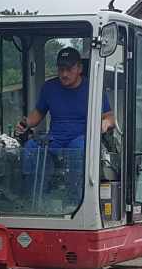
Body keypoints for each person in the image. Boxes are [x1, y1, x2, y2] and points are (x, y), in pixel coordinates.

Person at [10, 46, 114, 210]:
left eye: (69, 69)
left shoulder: (93, 88)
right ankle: (35, 201)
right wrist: (25, 123)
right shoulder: (49, 88)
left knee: (78, 149)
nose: (64, 74)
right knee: (30, 148)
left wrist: (105, 123)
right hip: (55, 141)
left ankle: (74, 203)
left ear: (79, 68)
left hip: (80, 139)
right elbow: (38, 113)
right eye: (61, 69)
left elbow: (109, 116)